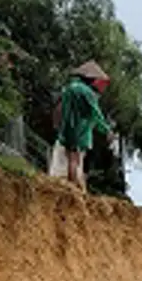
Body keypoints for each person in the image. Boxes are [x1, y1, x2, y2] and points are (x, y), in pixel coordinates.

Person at [53, 60, 114, 192]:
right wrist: (106, 130)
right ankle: (73, 186)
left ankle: (72, 185)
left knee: (70, 157)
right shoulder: (87, 93)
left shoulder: (69, 88)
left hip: (67, 128)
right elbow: (95, 113)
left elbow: (59, 108)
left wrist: (57, 124)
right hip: (80, 130)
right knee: (75, 160)